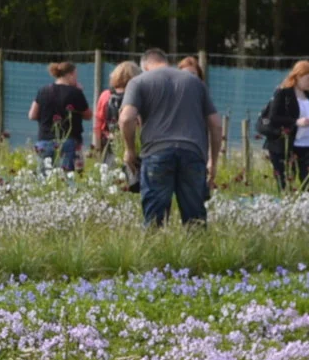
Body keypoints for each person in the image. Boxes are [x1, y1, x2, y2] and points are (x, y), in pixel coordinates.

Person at [119, 48, 222, 227]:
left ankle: (155, 252)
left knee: (154, 219)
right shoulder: (195, 82)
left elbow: (126, 118)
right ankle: (197, 252)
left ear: (145, 66)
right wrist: (213, 160)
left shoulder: (138, 81)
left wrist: (129, 150)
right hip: (193, 152)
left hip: (156, 152)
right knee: (195, 217)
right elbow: (216, 124)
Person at [258, 61, 309, 189]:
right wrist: (295, 122)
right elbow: (273, 117)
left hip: (307, 146)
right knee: (286, 183)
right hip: (286, 146)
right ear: (298, 76)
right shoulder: (283, 93)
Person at [28, 61, 89, 173]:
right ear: (70, 74)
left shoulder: (43, 91)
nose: (76, 79)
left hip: (44, 141)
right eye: (76, 75)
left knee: (44, 179)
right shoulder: (75, 92)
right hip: (69, 142)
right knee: (68, 178)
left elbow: (32, 115)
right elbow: (88, 115)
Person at [94, 61, 137, 162]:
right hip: (132, 142)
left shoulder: (105, 95)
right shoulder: (136, 96)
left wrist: (98, 148)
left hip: (110, 142)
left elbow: (99, 124)